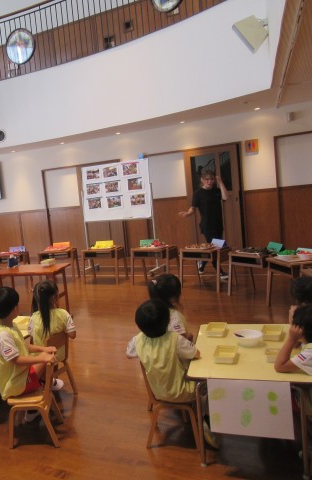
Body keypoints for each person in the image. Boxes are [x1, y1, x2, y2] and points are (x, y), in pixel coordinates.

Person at [126, 299, 217, 448]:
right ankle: (206, 419)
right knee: (208, 382)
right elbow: (196, 353)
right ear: (168, 321)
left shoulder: (138, 340)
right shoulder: (175, 339)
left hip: (157, 392)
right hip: (184, 392)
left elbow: (128, 353)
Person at [0, 286, 59, 421]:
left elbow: (23, 345)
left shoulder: (10, 325)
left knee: (46, 357)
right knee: (47, 361)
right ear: (13, 309)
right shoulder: (3, 335)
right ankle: (37, 399)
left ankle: (43, 386)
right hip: (15, 383)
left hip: (20, 375)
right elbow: (16, 360)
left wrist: (42, 349)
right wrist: (41, 358)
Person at [178, 169, 228, 280]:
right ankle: (220, 272)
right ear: (202, 180)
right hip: (207, 226)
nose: (210, 181)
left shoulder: (216, 191)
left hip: (218, 225)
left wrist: (220, 182)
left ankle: (202, 263)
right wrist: (187, 214)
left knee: (215, 247)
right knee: (215, 248)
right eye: (207, 179)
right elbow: (193, 208)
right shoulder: (198, 194)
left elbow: (225, 197)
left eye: (212, 179)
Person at [29, 280, 76, 366]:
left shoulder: (33, 318)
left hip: (39, 360)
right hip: (58, 356)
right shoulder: (63, 314)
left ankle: (46, 375)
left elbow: (31, 341)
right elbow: (72, 335)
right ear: (55, 297)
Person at [147, 274, 193, 342]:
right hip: (171, 347)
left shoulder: (149, 312)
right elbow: (180, 340)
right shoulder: (175, 316)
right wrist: (189, 336)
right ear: (173, 297)